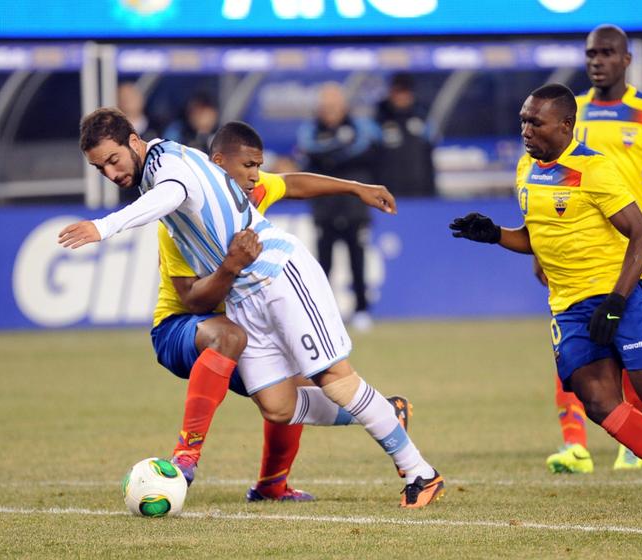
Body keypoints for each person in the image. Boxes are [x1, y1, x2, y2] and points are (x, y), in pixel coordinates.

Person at [60, 108, 444, 508]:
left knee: (333, 377)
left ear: (134, 142)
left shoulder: (169, 164)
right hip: (243, 298)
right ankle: (382, 413)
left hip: (277, 273)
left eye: (113, 160)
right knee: (278, 406)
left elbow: (171, 194)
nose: (110, 173)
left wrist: (102, 226)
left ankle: (419, 472)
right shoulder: (160, 172)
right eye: (99, 168)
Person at [451, 83, 642, 507]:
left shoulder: (593, 170)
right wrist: (495, 235)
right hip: (569, 307)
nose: (526, 130)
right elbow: (539, 236)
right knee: (598, 401)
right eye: (523, 121)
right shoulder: (525, 169)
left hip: (622, 295)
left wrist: (616, 302)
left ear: (566, 125)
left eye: (535, 122)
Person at [152, 121, 412, 501]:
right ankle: (186, 456)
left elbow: (292, 184)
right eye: (248, 166)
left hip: (235, 321)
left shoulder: (251, 191)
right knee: (229, 336)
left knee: (295, 381)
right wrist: (232, 266)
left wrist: (356, 188)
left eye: (258, 166)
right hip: (182, 326)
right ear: (218, 163)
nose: (256, 176)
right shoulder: (180, 216)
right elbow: (194, 300)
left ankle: (274, 484)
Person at [541, 24, 642, 475]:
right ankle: (574, 445)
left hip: (635, 255)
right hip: (576, 254)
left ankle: (633, 441)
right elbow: (549, 184)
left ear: (627, 60)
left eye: (607, 53)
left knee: (631, 358)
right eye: (592, 53)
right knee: (573, 350)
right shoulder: (571, 112)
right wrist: (539, 251)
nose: (598, 61)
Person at [296, 82, 380, 331]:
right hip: (325, 207)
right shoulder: (310, 130)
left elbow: (365, 149)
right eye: (326, 105)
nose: (330, 110)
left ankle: (362, 310)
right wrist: (338, 149)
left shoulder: (359, 127)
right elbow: (311, 151)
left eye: (334, 105)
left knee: (358, 260)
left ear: (343, 106)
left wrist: (332, 155)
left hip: (354, 207)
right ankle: (322, 312)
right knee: (323, 264)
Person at [374, 72, 437, 198]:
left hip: (420, 191)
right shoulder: (377, 120)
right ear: (391, 92)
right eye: (398, 91)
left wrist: (431, 190)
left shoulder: (423, 118)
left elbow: (428, 157)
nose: (402, 96)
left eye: (405, 92)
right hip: (387, 190)